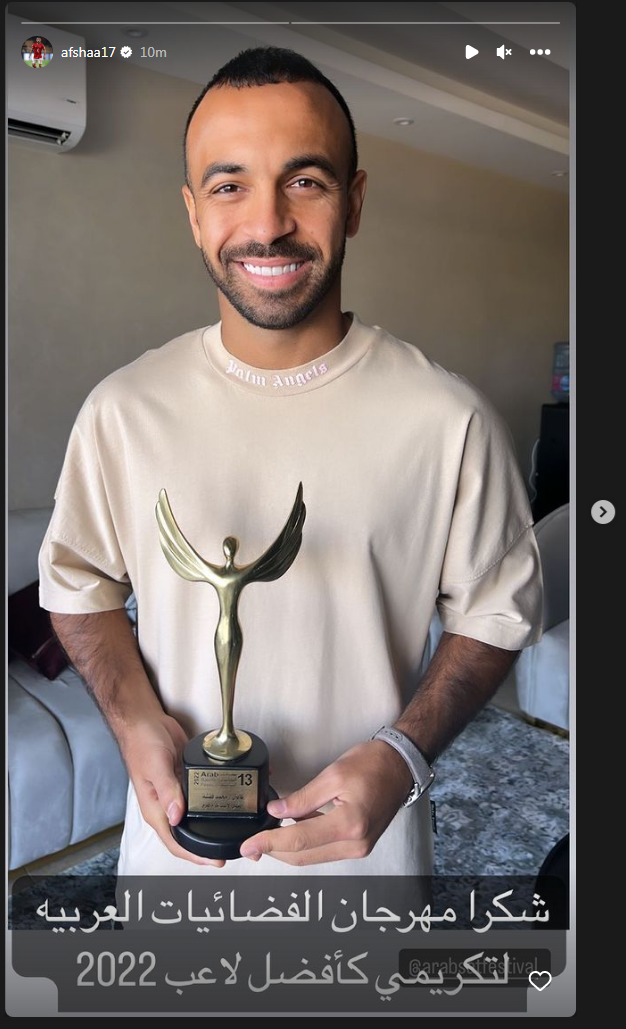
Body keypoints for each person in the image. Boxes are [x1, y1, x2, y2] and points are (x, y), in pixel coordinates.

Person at [39, 46, 543, 879]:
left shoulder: (448, 420)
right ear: (193, 211)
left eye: (304, 181)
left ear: (354, 201)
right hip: (171, 873)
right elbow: (77, 587)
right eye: (229, 185)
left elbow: (495, 614)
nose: (268, 223)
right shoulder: (121, 411)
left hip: (367, 882)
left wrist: (405, 752)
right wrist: (132, 719)